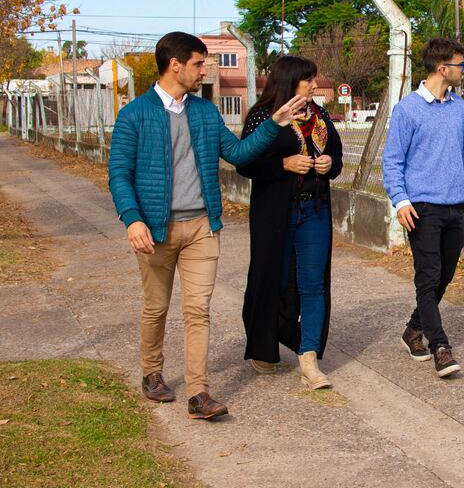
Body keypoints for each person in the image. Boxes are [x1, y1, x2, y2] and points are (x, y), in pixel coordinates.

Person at [108, 32, 306, 420]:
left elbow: (236, 153)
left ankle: (198, 393)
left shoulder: (204, 112)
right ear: (175, 64)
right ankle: (152, 372)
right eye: (199, 64)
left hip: (201, 226)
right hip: (154, 229)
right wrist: (132, 220)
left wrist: (274, 125)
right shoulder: (134, 114)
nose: (204, 71)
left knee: (198, 310)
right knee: (156, 307)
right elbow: (119, 175)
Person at [237, 56, 343, 389]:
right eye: (308, 80)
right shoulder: (263, 116)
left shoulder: (320, 115)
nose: (315, 85)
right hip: (275, 214)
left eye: (314, 79)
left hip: (315, 210)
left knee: (313, 284)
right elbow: (246, 164)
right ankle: (265, 342)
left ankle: (308, 360)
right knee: (274, 281)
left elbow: (337, 155)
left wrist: (330, 163)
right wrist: (283, 164)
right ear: (289, 81)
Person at [382, 38, 464, 378]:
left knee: (445, 275)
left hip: (455, 206)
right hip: (421, 208)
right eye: (460, 65)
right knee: (428, 278)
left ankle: (412, 329)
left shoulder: (458, 107)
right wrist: (401, 200)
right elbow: (392, 161)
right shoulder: (407, 109)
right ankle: (440, 346)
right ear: (443, 68)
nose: (463, 71)